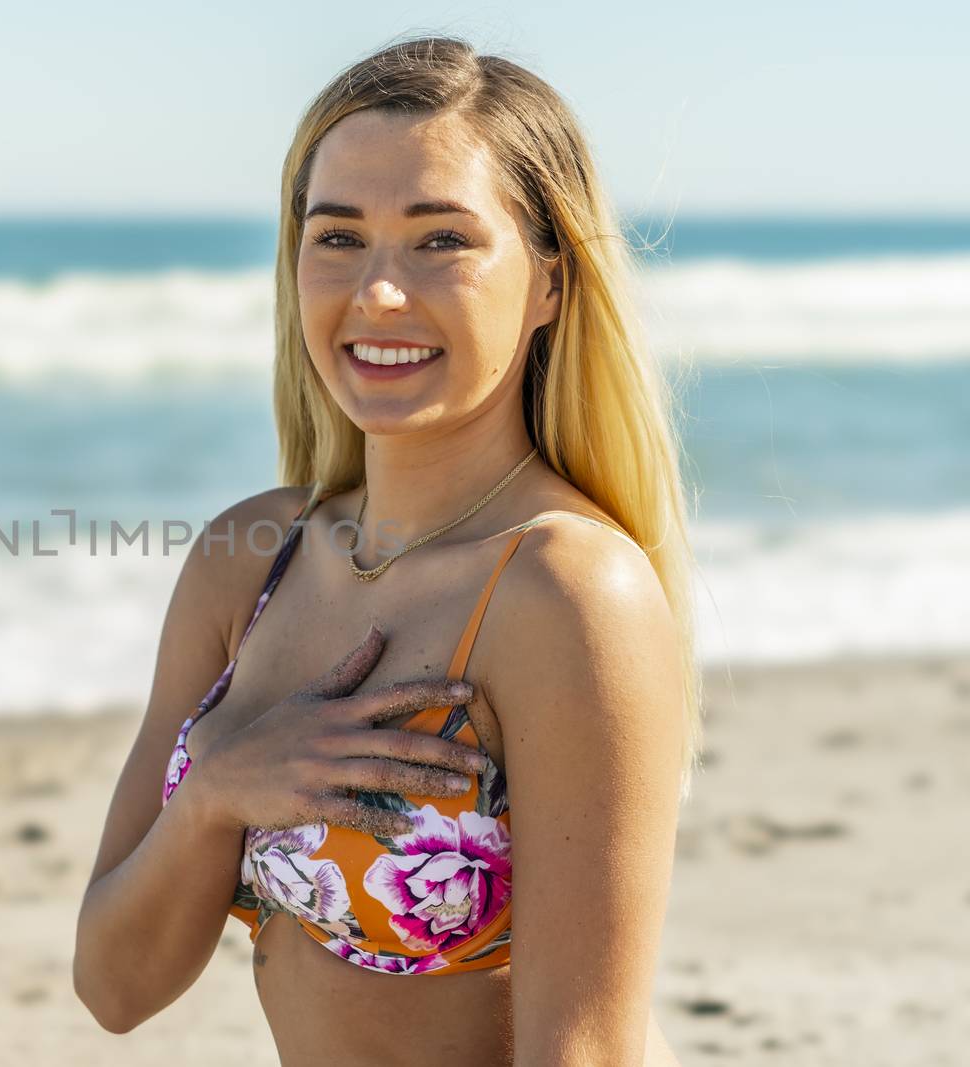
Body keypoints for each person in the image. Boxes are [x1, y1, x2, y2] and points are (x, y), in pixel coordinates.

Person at [73, 33, 700, 1066]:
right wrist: (218, 792)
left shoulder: (565, 590)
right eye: (337, 237)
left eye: (440, 240)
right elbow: (114, 984)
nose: (377, 294)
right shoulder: (250, 559)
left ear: (549, 279)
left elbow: (583, 1050)